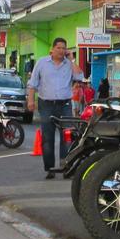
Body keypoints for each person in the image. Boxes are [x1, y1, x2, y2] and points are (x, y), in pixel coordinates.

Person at [27, 37, 83, 179]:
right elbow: (32, 84)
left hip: (64, 105)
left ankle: (65, 166)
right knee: (48, 137)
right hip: (46, 105)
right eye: (58, 48)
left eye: (64, 48)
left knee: (67, 137)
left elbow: (80, 76)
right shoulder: (41, 63)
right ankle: (50, 168)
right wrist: (30, 101)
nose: (61, 51)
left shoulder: (68, 64)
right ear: (52, 49)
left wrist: (72, 60)